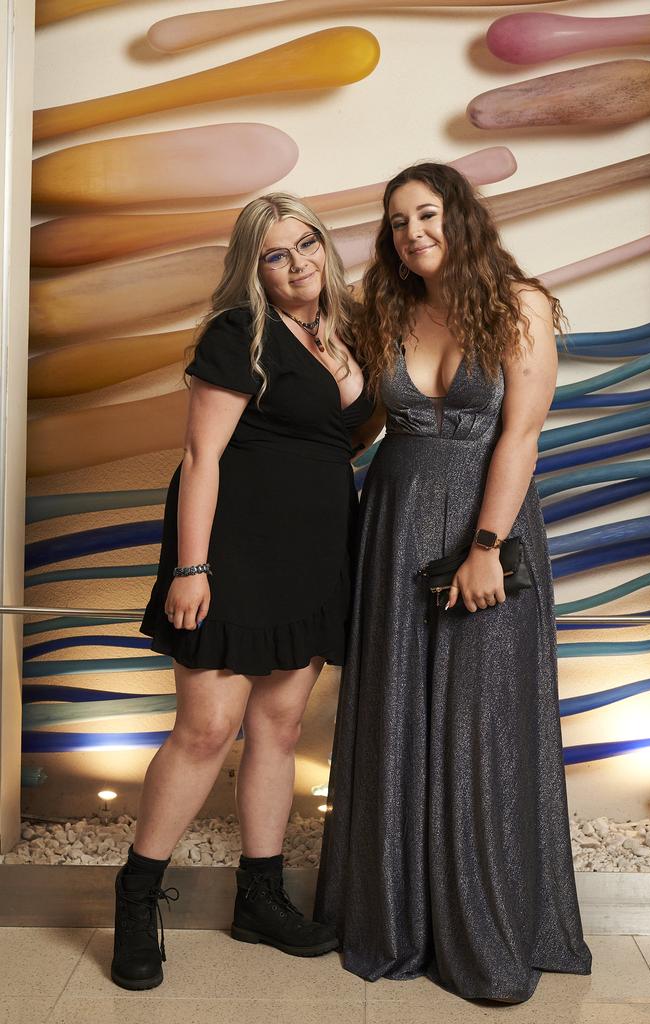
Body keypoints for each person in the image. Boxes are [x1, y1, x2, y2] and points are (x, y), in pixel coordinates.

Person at [314, 163, 592, 1002]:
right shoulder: (386, 310)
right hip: (393, 522)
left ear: (460, 217)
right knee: (396, 708)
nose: (411, 233)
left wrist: (484, 548)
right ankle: (395, 915)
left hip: (487, 520)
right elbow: (368, 420)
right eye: (396, 222)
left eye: (425, 214)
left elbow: (521, 438)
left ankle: (488, 921)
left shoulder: (521, 305)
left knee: (484, 718)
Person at [110, 194, 374, 991]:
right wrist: (192, 568)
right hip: (235, 550)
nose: (297, 264)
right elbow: (201, 457)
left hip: (320, 548)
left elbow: (351, 436)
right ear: (252, 269)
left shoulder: (354, 333)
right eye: (274, 254)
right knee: (205, 728)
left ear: (326, 248)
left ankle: (261, 898)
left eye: (306, 246)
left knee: (281, 724)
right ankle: (136, 896)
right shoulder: (238, 335)